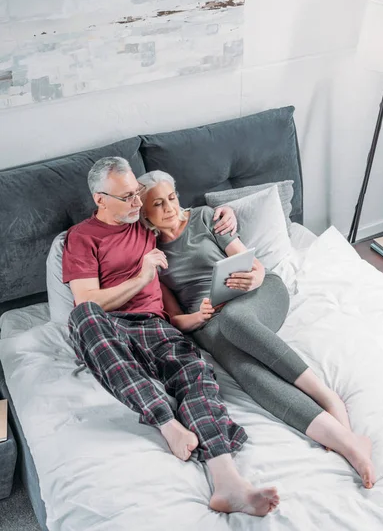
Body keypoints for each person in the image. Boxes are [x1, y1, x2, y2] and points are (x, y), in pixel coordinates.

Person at [62, 156, 280, 517]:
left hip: (156, 326)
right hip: (108, 328)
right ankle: (165, 422)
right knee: (82, 315)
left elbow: (180, 211)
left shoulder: (146, 222)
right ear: (100, 199)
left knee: (196, 373)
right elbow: (88, 301)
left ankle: (227, 482)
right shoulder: (82, 238)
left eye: (137, 194)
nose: (137, 203)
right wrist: (142, 276)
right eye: (127, 197)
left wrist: (223, 213)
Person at [138, 169, 376, 490]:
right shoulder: (152, 255)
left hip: (259, 293)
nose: (169, 207)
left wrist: (256, 277)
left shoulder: (207, 218)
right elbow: (175, 318)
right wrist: (200, 315)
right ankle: (349, 444)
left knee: (236, 320)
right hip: (210, 324)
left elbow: (251, 262)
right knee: (246, 372)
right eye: (158, 204)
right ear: (144, 212)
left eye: (172, 197)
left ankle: (328, 398)